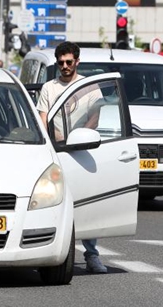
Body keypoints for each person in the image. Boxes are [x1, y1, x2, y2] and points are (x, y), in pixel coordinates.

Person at [35, 41, 107, 274]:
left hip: (83, 149)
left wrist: (78, 138)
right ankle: (46, 252)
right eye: (61, 62)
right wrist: (51, 143)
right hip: (56, 151)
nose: (65, 66)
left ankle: (92, 255)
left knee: (87, 202)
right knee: (52, 200)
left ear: (77, 61)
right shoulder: (49, 88)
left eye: (69, 62)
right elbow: (43, 119)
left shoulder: (89, 86)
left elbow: (95, 118)